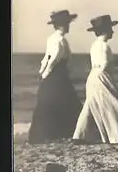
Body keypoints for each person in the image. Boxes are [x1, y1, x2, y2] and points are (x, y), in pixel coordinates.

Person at [73, 15, 118, 144]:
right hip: (101, 76)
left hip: (93, 76)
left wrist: (112, 61)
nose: (113, 32)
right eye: (110, 29)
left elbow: (98, 61)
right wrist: (112, 64)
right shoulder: (105, 46)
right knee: (113, 102)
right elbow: (105, 63)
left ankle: (80, 135)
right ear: (106, 30)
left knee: (91, 104)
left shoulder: (95, 45)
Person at [28, 10, 82, 144]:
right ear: (60, 25)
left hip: (56, 73)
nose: (68, 26)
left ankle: (52, 133)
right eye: (66, 24)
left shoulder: (53, 38)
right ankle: (65, 131)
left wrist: (43, 71)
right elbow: (54, 58)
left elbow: (46, 58)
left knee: (51, 102)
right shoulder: (60, 40)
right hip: (57, 74)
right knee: (64, 101)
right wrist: (46, 73)